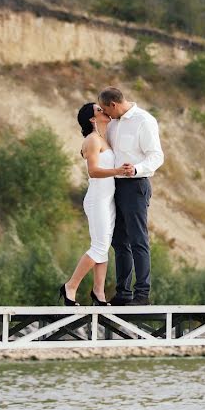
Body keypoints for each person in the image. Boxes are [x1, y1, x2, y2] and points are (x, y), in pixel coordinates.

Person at [58, 102, 134, 306]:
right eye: (99, 110)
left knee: (103, 248)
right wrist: (118, 171)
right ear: (92, 119)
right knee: (99, 246)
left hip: (107, 200)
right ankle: (71, 286)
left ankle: (98, 293)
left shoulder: (103, 138)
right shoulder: (92, 140)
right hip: (97, 199)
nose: (104, 110)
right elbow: (93, 171)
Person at [98, 87, 164, 305]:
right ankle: (123, 293)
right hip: (114, 186)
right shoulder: (113, 123)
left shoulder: (144, 120)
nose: (106, 114)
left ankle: (142, 294)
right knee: (119, 242)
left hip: (135, 185)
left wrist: (136, 169)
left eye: (107, 109)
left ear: (114, 105)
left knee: (138, 239)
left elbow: (156, 156)